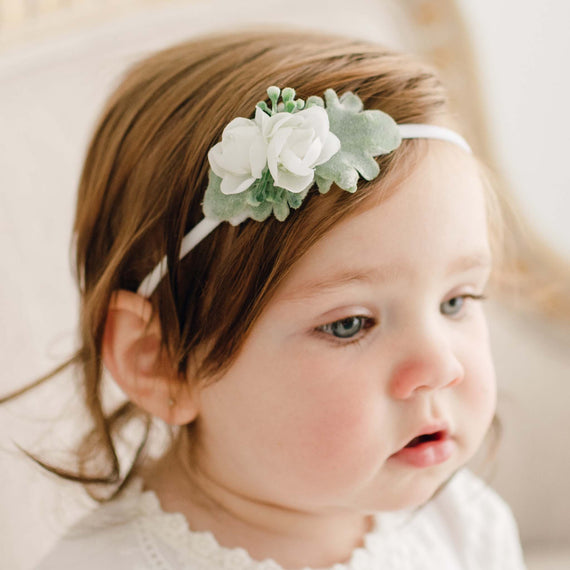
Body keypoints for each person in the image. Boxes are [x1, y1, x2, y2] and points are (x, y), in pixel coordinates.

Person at [13, 28, 527, 569]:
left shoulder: (465, 529)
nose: (441, 367)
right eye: (350, 324)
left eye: (456, 301)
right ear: (160, 360)